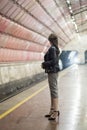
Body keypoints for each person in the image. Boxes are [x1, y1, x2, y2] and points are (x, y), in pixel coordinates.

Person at [41, 33, 60, 120]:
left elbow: (54, 61)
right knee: (52, 91)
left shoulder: (52, 48)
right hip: (53, 71)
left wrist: (44, 64)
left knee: (54, 91)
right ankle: (52, 110)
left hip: (52, 71)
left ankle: (55, 111)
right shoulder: (55, 48)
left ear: (50, 40)